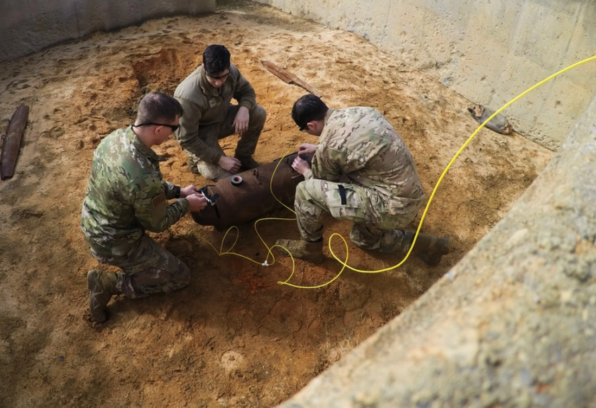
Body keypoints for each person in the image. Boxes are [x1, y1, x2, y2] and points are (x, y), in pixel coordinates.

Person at [275, 95, 450, 266]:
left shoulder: (329, 147)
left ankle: (310, 249)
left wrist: (306, 171)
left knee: (305, 191)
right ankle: (433, 244)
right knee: (361, 238)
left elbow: (321, 182)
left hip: (391, 207)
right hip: (409, 195)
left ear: (310, 125)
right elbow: (354, 144)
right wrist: (320, 149)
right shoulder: (364, 111)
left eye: (305, 130)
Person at [81, 92, 208, 323]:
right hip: (115, 241)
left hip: (93, 221)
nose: (174, 133)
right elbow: (157, 223)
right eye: (174, 127)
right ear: (159, 129)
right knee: (180, 276)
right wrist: (186, 204)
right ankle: (109, 283)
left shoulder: (116, 137)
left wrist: (178, 191)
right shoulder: (142, 176)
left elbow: (147, 188)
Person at [174, 44, 267, 180]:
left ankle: (244, 156)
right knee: (223, 175)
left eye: (223, 78)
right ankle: (197, 161)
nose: (218, 83)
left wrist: (244, 109)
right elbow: (187, 139)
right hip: (200, 134)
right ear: (203, 67)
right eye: (213, 79)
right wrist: (219, 159)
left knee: (258, 113)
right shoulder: (187, 96)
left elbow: (247, 91)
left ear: (228, 67)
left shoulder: (231, 72)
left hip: (221, 117)